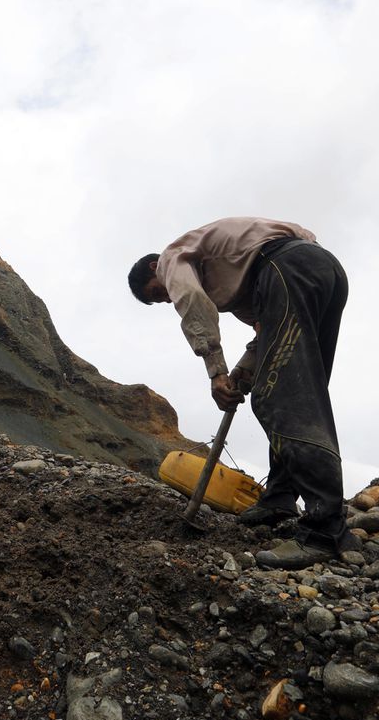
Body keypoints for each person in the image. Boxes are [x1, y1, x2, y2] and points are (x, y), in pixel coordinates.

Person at [127, 217, 349, 569]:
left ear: (156, 268)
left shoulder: (172, 257)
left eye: (158, 292)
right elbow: (268, 335)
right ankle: (279, 497)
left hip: (288, 267)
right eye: (159, 300)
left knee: (282, 398)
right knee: (300, 389)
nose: (166, 299)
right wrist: (243, 372)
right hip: (324, 272)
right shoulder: (239, 276)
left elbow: (191, 301)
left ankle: (323, 530)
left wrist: (215, 371)